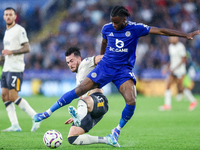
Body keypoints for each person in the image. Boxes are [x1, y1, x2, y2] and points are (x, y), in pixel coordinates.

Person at [34, 5, 200, 144]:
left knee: (131, 100)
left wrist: (185, 35)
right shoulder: (106, 28)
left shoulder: (135, 28)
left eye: (116, 22)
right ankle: (47, 113)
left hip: (123, 70)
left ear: (124, 20)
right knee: (80, 89)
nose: (113, 25)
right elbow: (104, 44)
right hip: (105, 66)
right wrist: (100, 63)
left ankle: (116, 131)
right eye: (112, 21)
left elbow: (161, 31)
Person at [64, 47, 120, 147]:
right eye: (68, 63)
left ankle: (79, 117)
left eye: (71, 61)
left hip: (99, 101)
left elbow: (103, 57)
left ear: (79, 59)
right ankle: (108, 139)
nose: (70, 65)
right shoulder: (78, 77)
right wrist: (78, 112)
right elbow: (81, 99)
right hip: (90, 109)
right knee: (72, 138)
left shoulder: (85, 63)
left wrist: (122, 55)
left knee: (82, 102)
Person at [1, 7, 41, 132]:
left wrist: (11, 52)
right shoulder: (7, 32)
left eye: (10, 14)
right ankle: (15, 125)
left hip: (16, 68)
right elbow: (8, 52)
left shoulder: (19, 30)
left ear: (14, 16)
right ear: (3, 17)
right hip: (7, 68)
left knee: (13, 96)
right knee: (4, 96)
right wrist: (3, 57)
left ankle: (36, 117)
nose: (8, 16)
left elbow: (27, 48)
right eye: (6, 14)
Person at [159, 36, 198, 111]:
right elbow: (172, 60)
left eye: (173, 38)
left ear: (176, 38)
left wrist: (174, 68)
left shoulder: (181, 46)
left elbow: (183, 60)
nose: (171, 39)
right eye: (170, 38)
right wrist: (167, 68)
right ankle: (167, 105)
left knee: (181, 88)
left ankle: (193, 101)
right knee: (168, 85)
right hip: (173, 70)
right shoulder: (170, 46)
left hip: (180, 70)